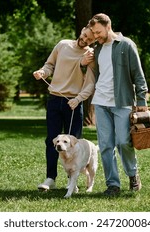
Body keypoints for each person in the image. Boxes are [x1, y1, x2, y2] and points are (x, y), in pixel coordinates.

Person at [88, 13, 148, 196]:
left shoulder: (126, 45)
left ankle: (132, 174)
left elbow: (138, 74)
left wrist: (142, 101)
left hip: (122, 102)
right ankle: (113, 184)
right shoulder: (97, 49)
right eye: (93, 33)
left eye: (98, 32)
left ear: (108, 26)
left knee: (123, 142)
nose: (96, 36)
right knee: (106, 145)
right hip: (100, 102)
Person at [33, 26, 95, 191]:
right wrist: (42, 72)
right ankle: (50, 178)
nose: (86, 40)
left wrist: (78, 99)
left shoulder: (90, 55)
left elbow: (89, 82)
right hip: (54, 99)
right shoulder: (62, 45)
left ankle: (71, 181)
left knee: (73, 142)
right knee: (51, 140)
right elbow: (49, 65)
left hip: (73, 103)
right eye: (85, 35)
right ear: (82, 30)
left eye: (90, 39)